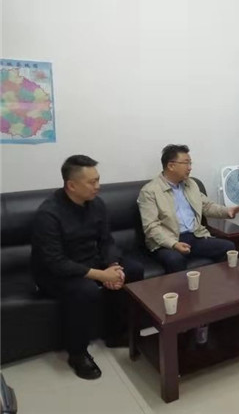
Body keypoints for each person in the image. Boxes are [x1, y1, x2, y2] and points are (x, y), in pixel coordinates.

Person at [31, 155, 144, 380]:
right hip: (54, 272)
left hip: (90, 260)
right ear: (71, 185)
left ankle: (115, 333)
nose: (98, 186)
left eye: (98, 179)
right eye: (91, 182)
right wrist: (101, 275)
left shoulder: (97, 204)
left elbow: (106, 241)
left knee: (132, 270)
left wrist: (113, 266)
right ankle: (77, 353)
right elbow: (55, 262)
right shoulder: (48, 214)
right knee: (85, 290)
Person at [138, 144, 239, 273]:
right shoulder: (149, 191)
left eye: (190, 163)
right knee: (175, 260)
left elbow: (206, 206)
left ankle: (219, 283)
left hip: (195, 236)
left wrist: (227, 211)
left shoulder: (191, 184)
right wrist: (174, 244)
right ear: (171, 166)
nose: (190, 168)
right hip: (166, 242)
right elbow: (151, 227)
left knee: (228, 247)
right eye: (186, 163)